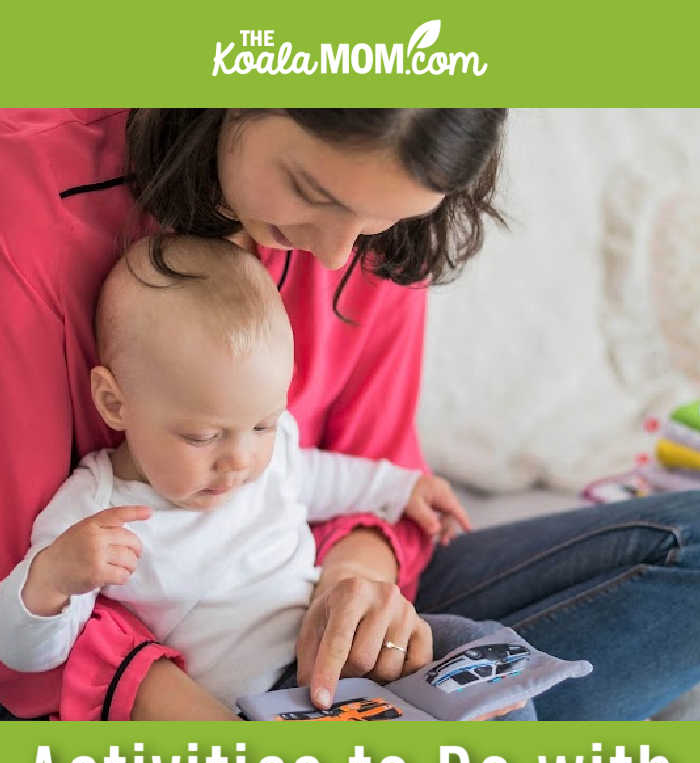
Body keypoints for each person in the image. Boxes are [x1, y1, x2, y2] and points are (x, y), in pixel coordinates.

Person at [1, 108, 699, 721]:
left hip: (307, 613)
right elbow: (31, 584)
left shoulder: (373, 224)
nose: (337, 254)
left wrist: (357, 581)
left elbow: (370, 468)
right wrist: (177, 714)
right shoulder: (28, 208)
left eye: (386, 220)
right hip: (147, 672)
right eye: (310, 191)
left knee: (490, 690)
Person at [0, 234, 500, 717]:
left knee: (478, 652)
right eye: (202, 436)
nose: (240, 460)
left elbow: (319, 477)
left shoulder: (263, 451)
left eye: (263, 424)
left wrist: (401, 488)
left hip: (336, 652)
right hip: (256, 705)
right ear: (114, 402)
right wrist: (51, 580)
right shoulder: (95, 512)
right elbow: (27, 655)